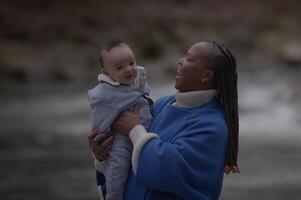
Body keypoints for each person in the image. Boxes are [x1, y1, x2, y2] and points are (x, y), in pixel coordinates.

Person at [88, 41, 240, 200]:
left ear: (206, 75)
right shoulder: (162, 104)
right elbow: (128, 159)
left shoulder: (213, 126)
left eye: (189, 58)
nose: (180, 61)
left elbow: (166, 171)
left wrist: (135, 130)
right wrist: (103, 156)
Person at [87, 39, 153, 200]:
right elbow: (99, 122)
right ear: (107, 72)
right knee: (118, 168)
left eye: (132, 63)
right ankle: (113, 196)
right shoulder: (105, 95)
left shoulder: (137, 81)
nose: (129, 69)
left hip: (145, 132)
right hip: (120, 139)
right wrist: (102, 141)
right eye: (119, 67)